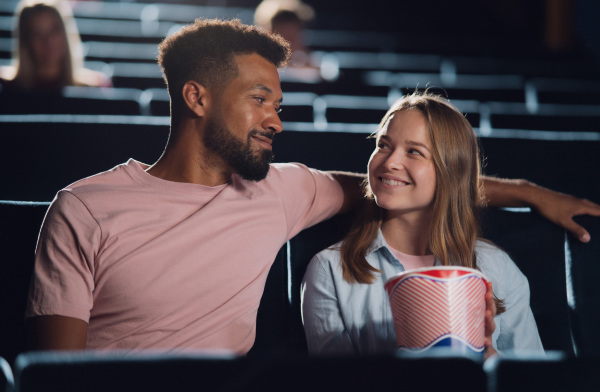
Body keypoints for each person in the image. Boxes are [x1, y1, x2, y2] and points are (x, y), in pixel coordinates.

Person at [25, 18, 600, 355]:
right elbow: (58, 375)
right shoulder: (85, 208)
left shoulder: (280, 190)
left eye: (278, 105)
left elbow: (412, 185)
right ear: (196, 98)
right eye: (259, 101)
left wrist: (527, 191)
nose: (277, 121)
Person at [301, 92, 545, 358]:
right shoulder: (330, 270)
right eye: (383, 145)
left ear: (450, 171)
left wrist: (488, 363)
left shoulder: (497, 267)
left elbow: (531, 379)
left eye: (414, 152)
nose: (390, 161)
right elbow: (334, 384)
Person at [0, 0, 111, 92]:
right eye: (37, 33)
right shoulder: (5, 87)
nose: (48, 41)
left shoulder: (94, 88)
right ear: (26, 40)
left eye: (54, 30)